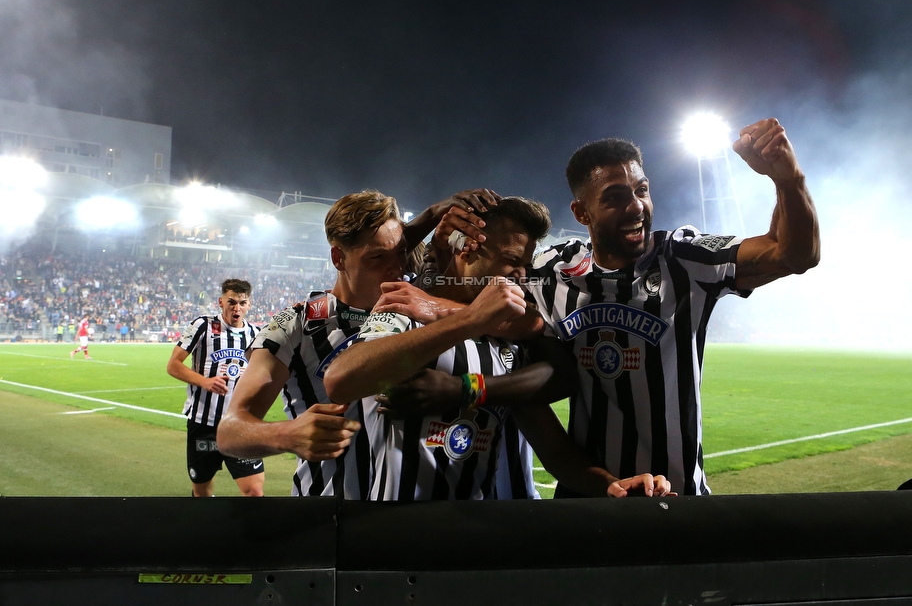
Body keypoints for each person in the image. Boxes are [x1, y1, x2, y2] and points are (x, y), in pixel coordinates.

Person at [526, 118, 820, 496]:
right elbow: (478, 282)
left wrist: (788, 179)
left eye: (642, 190)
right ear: (581, 213)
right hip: (587, 503)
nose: (636, 207)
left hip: (678, 501)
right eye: (615, 197)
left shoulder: (681, 257)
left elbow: (793, 255)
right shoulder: (551, 270)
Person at [324, 197, 673, 501]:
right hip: (400, 539)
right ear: (466, 248)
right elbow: (340, 379)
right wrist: (469, 320)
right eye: (510, 260)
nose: (521, 275)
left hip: (481, 539)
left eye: (526, 264)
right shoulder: (406, 308)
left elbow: (552, 446)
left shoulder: (510, 340)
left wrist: (613, 485)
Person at [216, 189, 505, 498]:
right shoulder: (296, 324)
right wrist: (283, 434)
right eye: (377, 258)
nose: (397, 268)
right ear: (338, 258)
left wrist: (435, 215)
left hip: (411, 516)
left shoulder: (418, 306)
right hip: (328, 515)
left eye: (402, 253)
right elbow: (229, 433)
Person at [167, 278, 263, 497]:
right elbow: (173, 365)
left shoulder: (255, 335)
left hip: (240, 425)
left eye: (242, 302)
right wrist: (205, 381)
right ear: (221, 302)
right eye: (231, 302)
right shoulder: (202, 326)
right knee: (202, 492)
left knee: (255, 491)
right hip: (204, 425)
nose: (237, 308)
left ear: (248, 305)